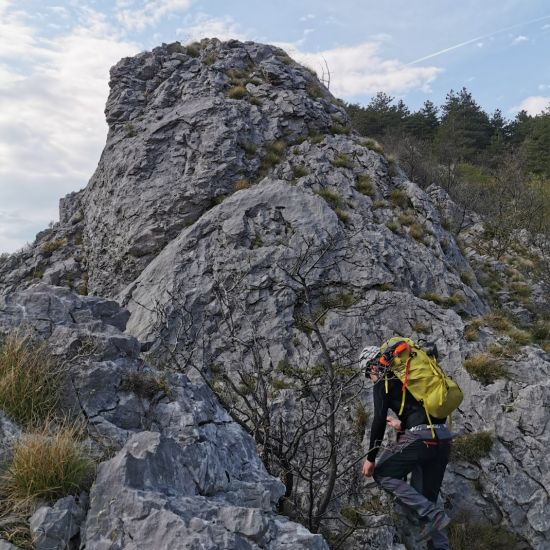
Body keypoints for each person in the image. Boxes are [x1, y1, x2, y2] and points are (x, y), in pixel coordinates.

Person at [359, 345, 453, 550]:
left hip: (421, 439)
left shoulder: (383, 381)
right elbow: (419, 412)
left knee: (382, 473)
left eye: (368, 374)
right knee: (427, 500)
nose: (370, 378)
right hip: (443, 439)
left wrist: (371, 458)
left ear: (372, 367)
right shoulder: (410, 379)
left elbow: (378, 421)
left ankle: (434, 514)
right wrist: (403, 426)